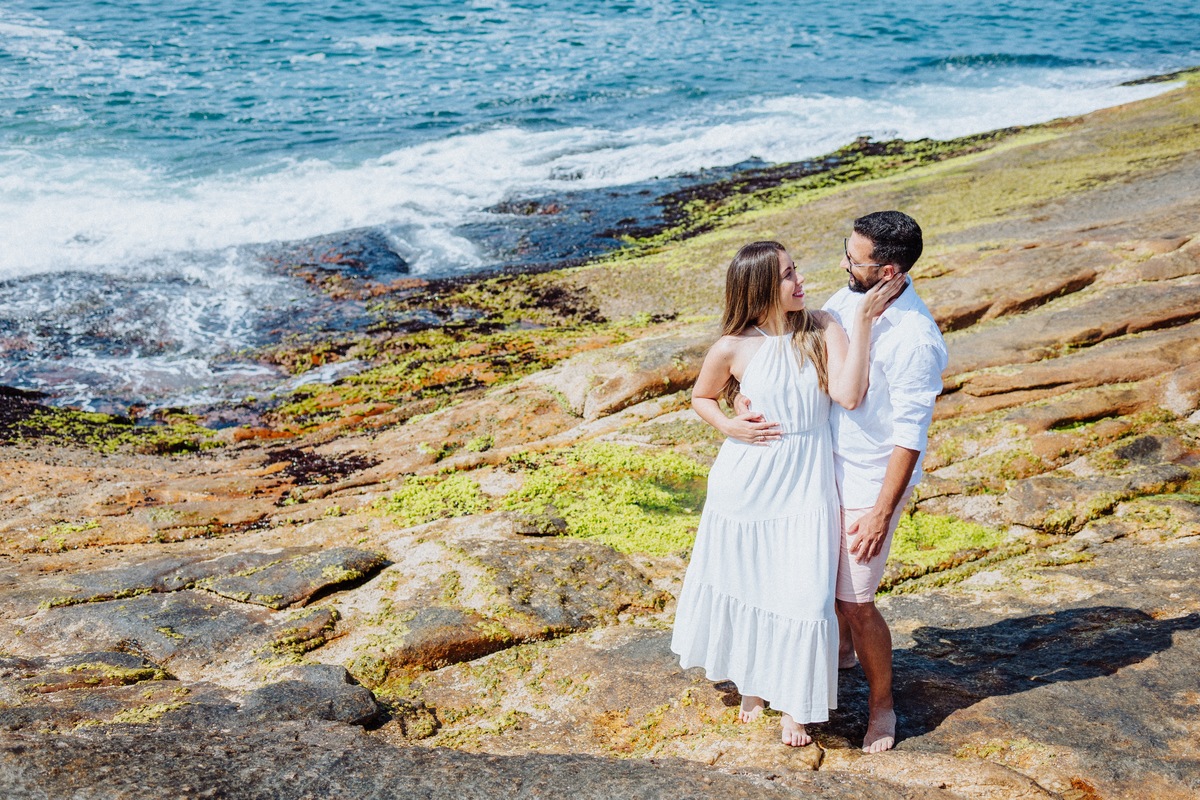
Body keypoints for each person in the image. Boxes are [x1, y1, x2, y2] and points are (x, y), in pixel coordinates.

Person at [671, 240, 903, 746]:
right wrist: (730, 427)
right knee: (751, 582)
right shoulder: (732, 346)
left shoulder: (821, 326)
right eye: (787, 275)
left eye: (796, 270)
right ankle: (754, 683)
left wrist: (861, 321)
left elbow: (847, 393)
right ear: (758, 288)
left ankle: (795, 703)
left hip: (805, 480)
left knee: (803, 590)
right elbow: (701, 396)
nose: (800, 281)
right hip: (746, 483)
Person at [824, 211, 948, 753]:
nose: (845, 264)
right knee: (821, 588)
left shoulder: (917, 339)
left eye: (854, 258)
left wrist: (880, 512)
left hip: (870, 482)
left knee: (855, 600)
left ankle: (882, 706)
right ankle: (843, 654)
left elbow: (909, 439)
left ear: (888, 269)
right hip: (822, 467)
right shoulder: (848, 297)